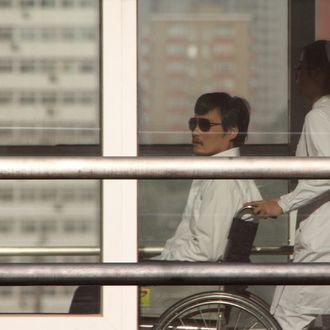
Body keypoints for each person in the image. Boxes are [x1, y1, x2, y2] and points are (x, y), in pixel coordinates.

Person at [245, 40, 330, 330]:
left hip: (322, 242)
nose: (297, 77)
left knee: (281, 319)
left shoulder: (319, 116)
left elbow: (325, 171)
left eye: (299, 69)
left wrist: (280, 203)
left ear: (317, 73)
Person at [153, 92, 261, 262]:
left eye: (204, 125)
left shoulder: (223, 180)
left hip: (193, 280)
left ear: (232, 131)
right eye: (193, 123)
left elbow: (206, 251)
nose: (195, 132)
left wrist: (160, 264)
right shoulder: (220, 173)